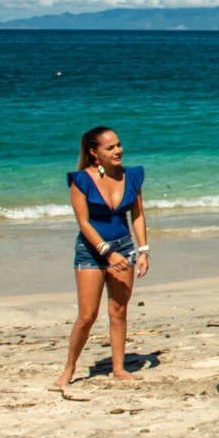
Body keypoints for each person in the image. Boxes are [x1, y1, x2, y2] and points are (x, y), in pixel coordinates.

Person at [53, 126, 151, 396]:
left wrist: (143, 250)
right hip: (92, 251)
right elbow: (83, 222)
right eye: (110, 147)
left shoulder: (132, 176)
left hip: (125, 248)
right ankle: (70, 367)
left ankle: (119, 368)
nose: (118, 150)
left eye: (118, 144)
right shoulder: (80, 180)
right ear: (94, 153)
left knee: (119, 311)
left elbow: (138, 216)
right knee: (87, 315)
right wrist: (108, 253)